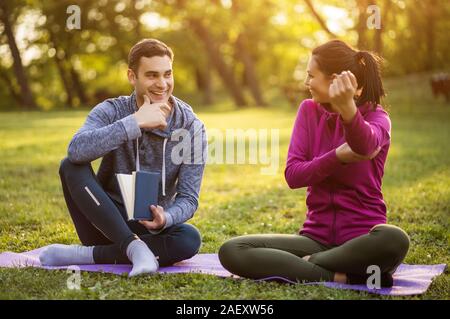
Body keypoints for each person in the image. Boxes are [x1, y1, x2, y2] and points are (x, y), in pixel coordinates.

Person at [218, 40, 410, 287]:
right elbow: (293, 175)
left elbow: (365, 146)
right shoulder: (309, 111)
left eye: (311, 76)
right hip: (315, 237)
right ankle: (340, 275)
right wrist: (336, 157)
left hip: (363, 241)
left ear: (335, 81)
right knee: (233, 249)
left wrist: (348, 111)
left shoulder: (377, 118)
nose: (306, 83)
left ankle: (309, 264)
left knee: (394, 238)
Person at [39, 39, 207, 277]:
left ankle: (90, 255)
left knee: (189, 239)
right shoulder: (112, 111)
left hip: (151, 226)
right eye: (151, 76)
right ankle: (133, 248)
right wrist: (135, 123)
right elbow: (76, 150)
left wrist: (165, 218)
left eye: (167, 74)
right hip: (105, 220)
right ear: (132, 76)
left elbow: (189, 198)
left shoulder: (190, 126)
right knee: (70, 166)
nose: (162, 84)